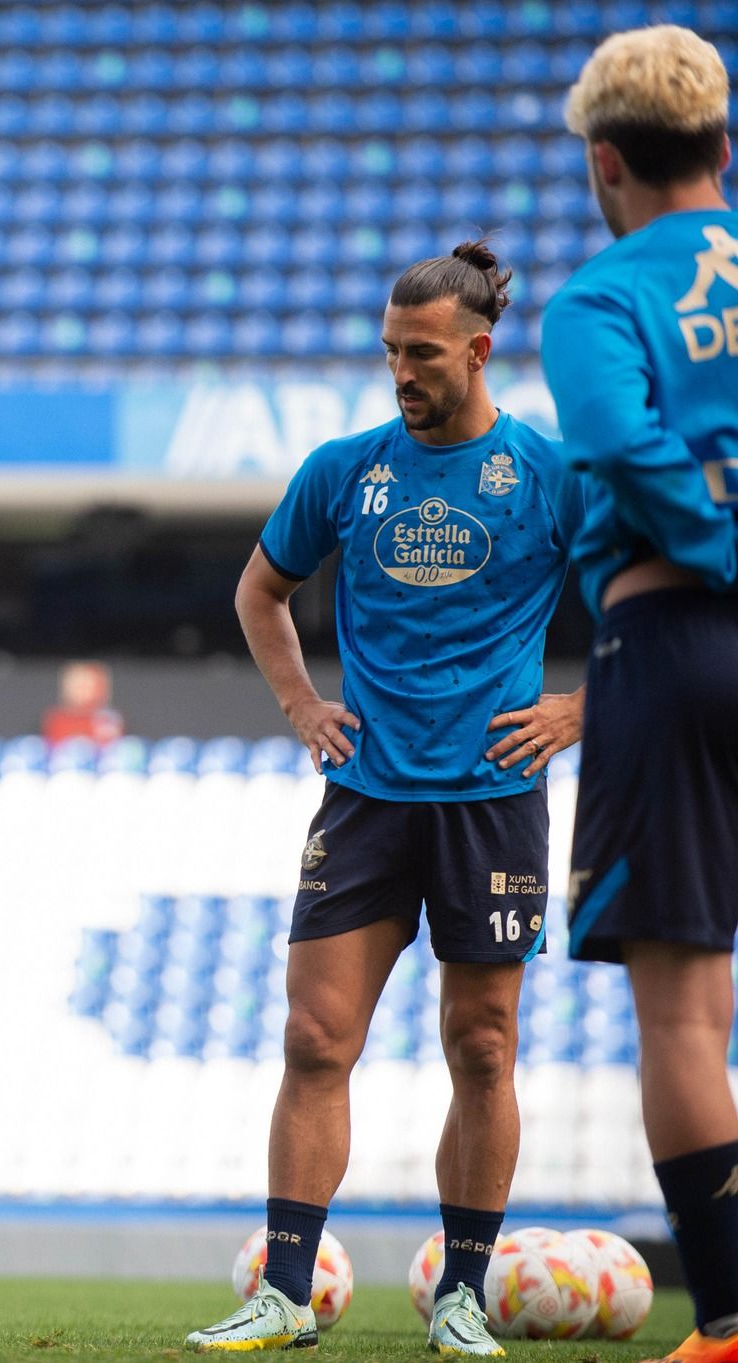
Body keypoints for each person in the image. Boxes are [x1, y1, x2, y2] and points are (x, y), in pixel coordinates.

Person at [186, 243, 586, 1356]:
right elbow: (259, 591)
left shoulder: (547, 474)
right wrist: (301, 705)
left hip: (491, 797)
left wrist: (576, 710)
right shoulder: (342, 468)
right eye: (387, 352)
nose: (399, 373)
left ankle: (459, 1293)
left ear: (476, 348)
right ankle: (281, 1294)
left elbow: (651, 609)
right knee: (314, 1037)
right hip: (364, 793)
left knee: (482, 1044)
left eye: (419, 355)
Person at [542, 26, 738, 1363]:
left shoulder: (599, 299)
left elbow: (614, 434)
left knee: (683, 1004)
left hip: (674, 637)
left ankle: (730, 1312)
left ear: (607, 163)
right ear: (724, 148)